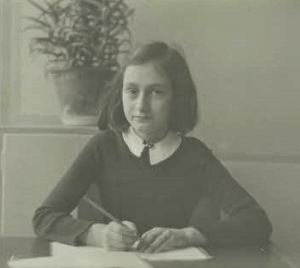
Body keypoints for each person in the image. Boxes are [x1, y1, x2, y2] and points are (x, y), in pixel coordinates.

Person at [33, 41, 272, 253]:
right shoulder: (103, 146)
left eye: (156, 92)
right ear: (121, 94)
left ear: (176, 99)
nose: (141, 106)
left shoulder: (194, 155)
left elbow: (257, 222)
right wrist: (97, 234)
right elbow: (44, 218)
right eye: (132, 91)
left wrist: (188, 235)